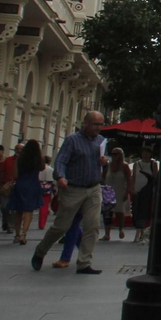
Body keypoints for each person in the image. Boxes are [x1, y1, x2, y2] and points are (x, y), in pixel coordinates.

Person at [29, 112, 109, 275]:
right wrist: (61, 177)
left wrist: (104, 161)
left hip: (93, 188)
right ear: (85, 123)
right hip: (73, 188)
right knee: (61, 227)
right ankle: (40, 251)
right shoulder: (72, 140)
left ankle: (84, 262)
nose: (98, 128)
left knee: (92, 226)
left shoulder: (101, 141)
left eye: (101, 124)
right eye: (95, 124)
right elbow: (61, 160)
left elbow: (103, 160)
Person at [7, 140, 46, 245]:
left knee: (18, 211)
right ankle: (24, 234)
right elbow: (43, 168)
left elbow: (15, 175)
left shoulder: (19, 160)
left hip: (21, 185)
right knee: (29, 211)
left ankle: (17, 234)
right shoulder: (38, 160)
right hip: (33, 185)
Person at [131, 147, 158, 241]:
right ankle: (140, 232)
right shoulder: (136, 164)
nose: (145, 155)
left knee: (144, 210)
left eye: (147, 153)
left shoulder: (153, 164)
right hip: (138, 189)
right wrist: (132, 188)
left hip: (148, 191)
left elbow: (155, 177)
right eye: (144, 153)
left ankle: (139, 233)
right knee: (137, 210)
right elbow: (134, 176)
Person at [103, 148, 129, 241]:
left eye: (116, 154)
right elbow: (103, 178)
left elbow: (129, 180)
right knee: (107, 213)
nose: (114, 156)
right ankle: (107, 234)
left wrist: (127, 192)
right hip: (108, 191)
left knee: (119, 211)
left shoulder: (125, 166)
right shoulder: (108, 166)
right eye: (112, 154)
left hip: (120, 191)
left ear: (120, 155)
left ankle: (121, 229)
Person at [0, 142, 19, 233]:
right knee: (4, 206)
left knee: (14, 208)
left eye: (21, 150)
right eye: (17, 149)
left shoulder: (26, 161)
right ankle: (5, 220)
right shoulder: (8, 160)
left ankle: (10, 226)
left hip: (18, 186)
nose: (19, 151)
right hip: (6, 186)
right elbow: (1, 173)